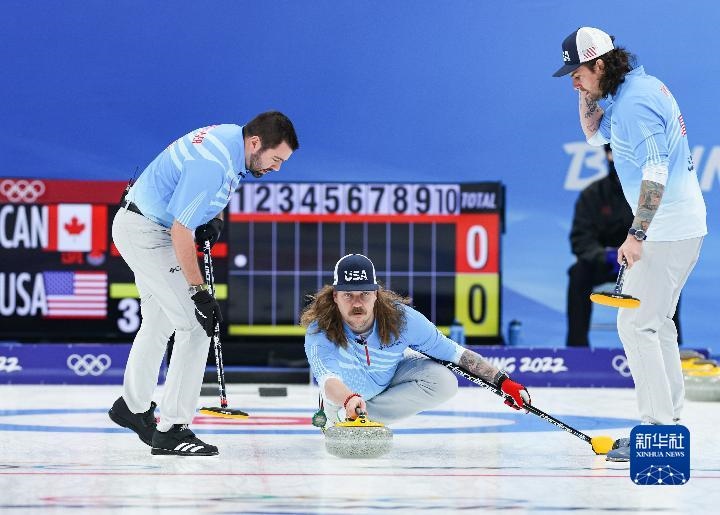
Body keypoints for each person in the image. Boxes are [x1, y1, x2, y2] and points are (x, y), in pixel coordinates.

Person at [553, 27, 706, 461]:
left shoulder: (635, 103)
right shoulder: (632, 92)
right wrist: (586, 92)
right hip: (679, 225)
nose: (574, 81)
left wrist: (637, 234)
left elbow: (656, 171)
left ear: (600, 64)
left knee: (637, 326)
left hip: (666, 229)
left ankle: (658, 431)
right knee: (656, 324)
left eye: (578, 73)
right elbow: (593, 136)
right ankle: (668, 422)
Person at [108, 111, 299, 456]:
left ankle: (132, 407)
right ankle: (172, 430)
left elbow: (212, 192)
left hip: (142, 223)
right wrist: (199, 294)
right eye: (276, 159)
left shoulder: (233, 139)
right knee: (196, 326)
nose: (277, 168)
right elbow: (182, 231)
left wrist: (214, 218)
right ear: (256, 143)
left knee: (159, 321)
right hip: (149, 233)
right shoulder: (213, 163)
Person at [301, 253, 531, 428]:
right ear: (335, 296)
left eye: (365, 294)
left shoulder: (403, 319)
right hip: (342, 396)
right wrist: (348, 399)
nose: (357, 303)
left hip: (386, 380)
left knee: (444, 381)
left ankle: (363, 416)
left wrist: (503, 382)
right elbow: (328, 380)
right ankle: (343, 412)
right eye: (348, 295)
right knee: (337, 394)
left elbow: (456, 354)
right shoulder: (320, 331)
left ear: (376, 294)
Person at [566, 144, 681, 347]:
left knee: (667, 275)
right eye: (615, 153)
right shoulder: (593, 195)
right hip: (605, 264)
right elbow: (581, 240)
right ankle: (577, 348)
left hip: (643, 262)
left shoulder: (651, 195)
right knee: (578, 273)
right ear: (608, 155)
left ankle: (670, 346)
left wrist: (643, 255)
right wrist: (605, 256)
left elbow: (664, 234)